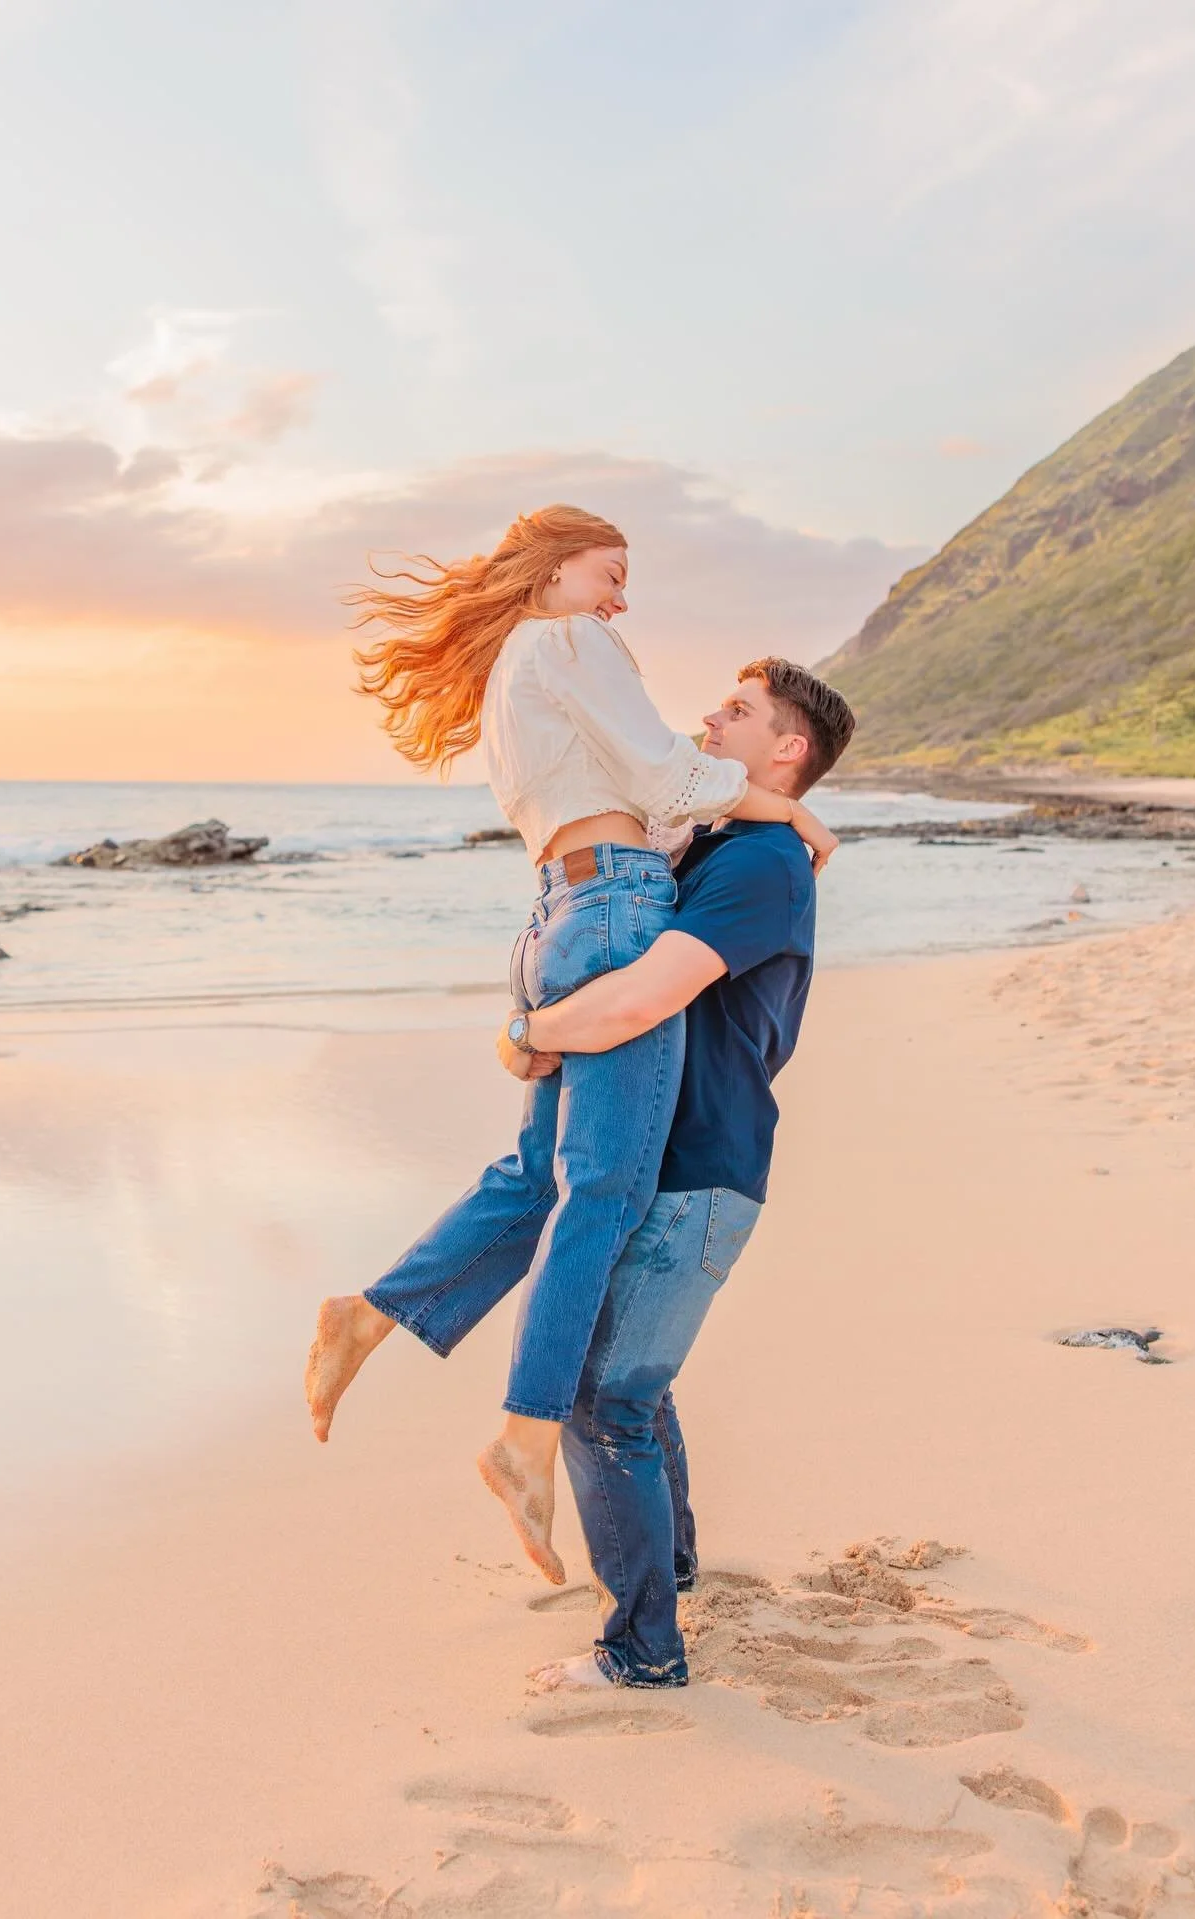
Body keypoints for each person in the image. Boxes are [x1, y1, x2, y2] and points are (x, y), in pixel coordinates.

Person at [305, 508, 838, 1584]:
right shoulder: (568, 640)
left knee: (538, 1179)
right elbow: (667, 779)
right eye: (611, 572)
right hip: (611, 911)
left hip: (559, 912)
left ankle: (369, 1313)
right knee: (602, 1190)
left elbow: (651, 792)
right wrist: (792, 814)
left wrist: (747, 806)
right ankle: (525, 1436)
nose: (621, 597)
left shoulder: (521, 666)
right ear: (556, 569)